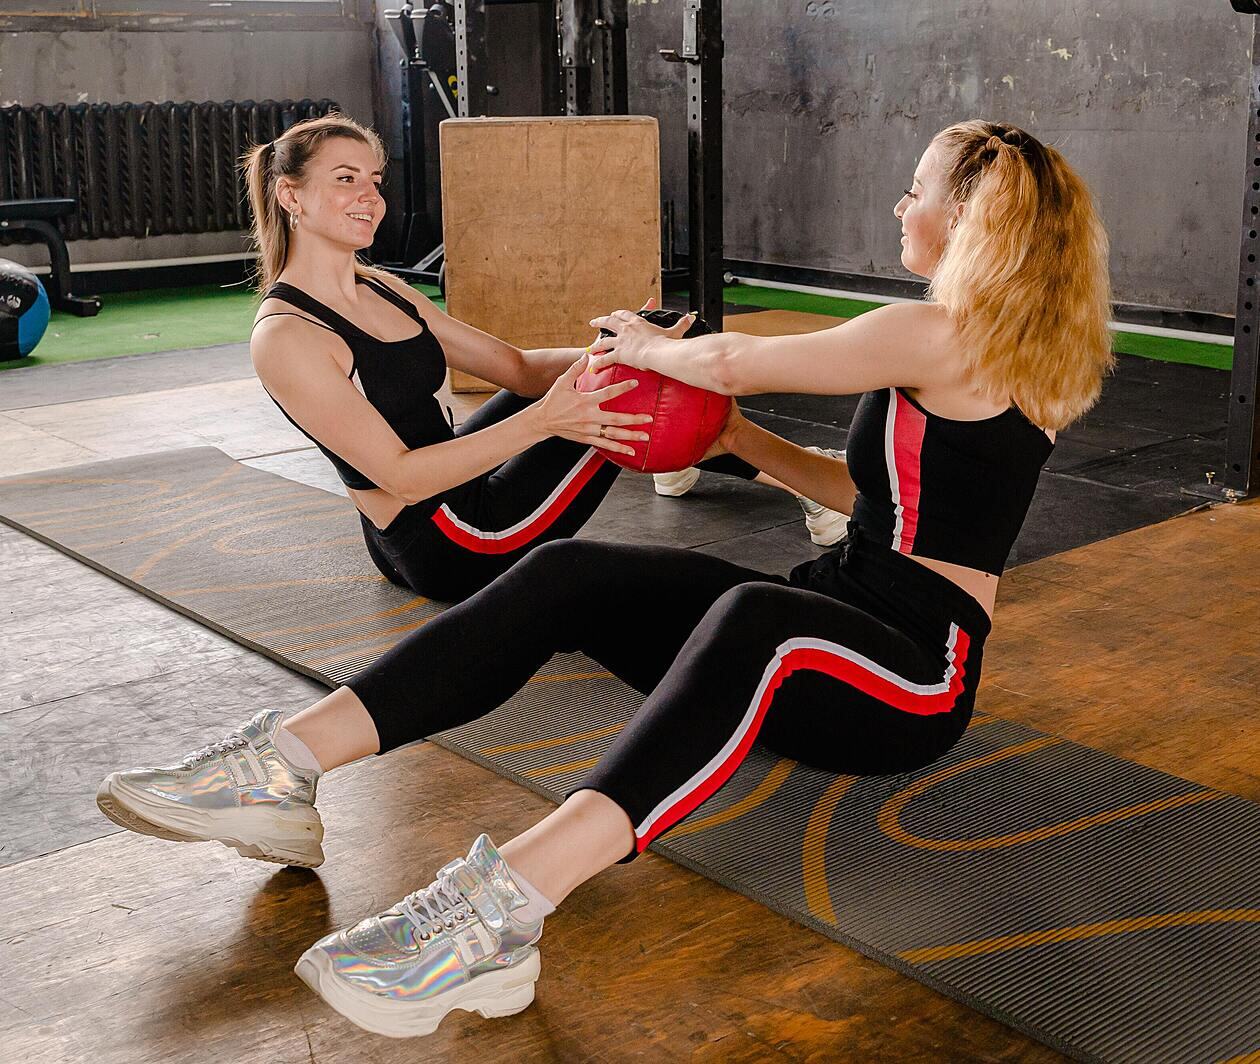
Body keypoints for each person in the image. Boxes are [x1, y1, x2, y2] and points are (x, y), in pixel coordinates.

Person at [97, 120, 1112, 1038]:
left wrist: (639, 346)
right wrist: (743, 443)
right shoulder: (984, 344)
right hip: (844, 603)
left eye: (919, 188)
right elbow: (871, 493)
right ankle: (279, 763)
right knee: (576, 572)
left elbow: (732, 360)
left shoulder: (940, 330)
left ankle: (498, 910)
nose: (903, 204)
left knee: (759, 616)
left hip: (915, 670)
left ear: (971, 215)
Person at [241, 113, 818, 602]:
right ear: (291, 195)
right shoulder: (289, 335)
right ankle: (802, 479)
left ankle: (688, 448)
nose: (369, 197)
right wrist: (553, 417)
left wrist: (627, 345)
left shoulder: (380, 287)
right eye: (345, 180)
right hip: (452, 543)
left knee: (642, 357)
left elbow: (516, 369)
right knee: (623, 393)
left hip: (453, 501)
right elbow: (401, 477)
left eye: (374, 179)